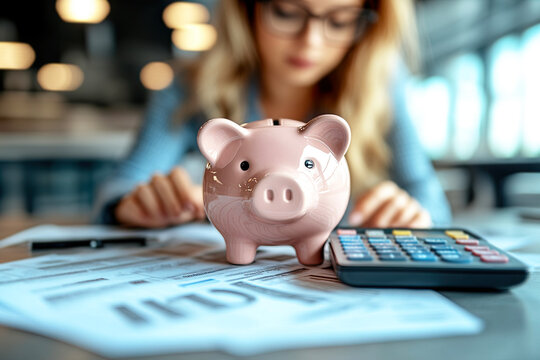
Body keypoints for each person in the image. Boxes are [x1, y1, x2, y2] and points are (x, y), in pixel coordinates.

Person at [94, 0, 452, 229]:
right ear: (248, 9)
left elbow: (429, 198)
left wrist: (415, 216)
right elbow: (118, 188)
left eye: (340, 21)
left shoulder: (380, 88)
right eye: (286, 12)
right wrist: (133, 206)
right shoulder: (189, 89)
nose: (310, 41)